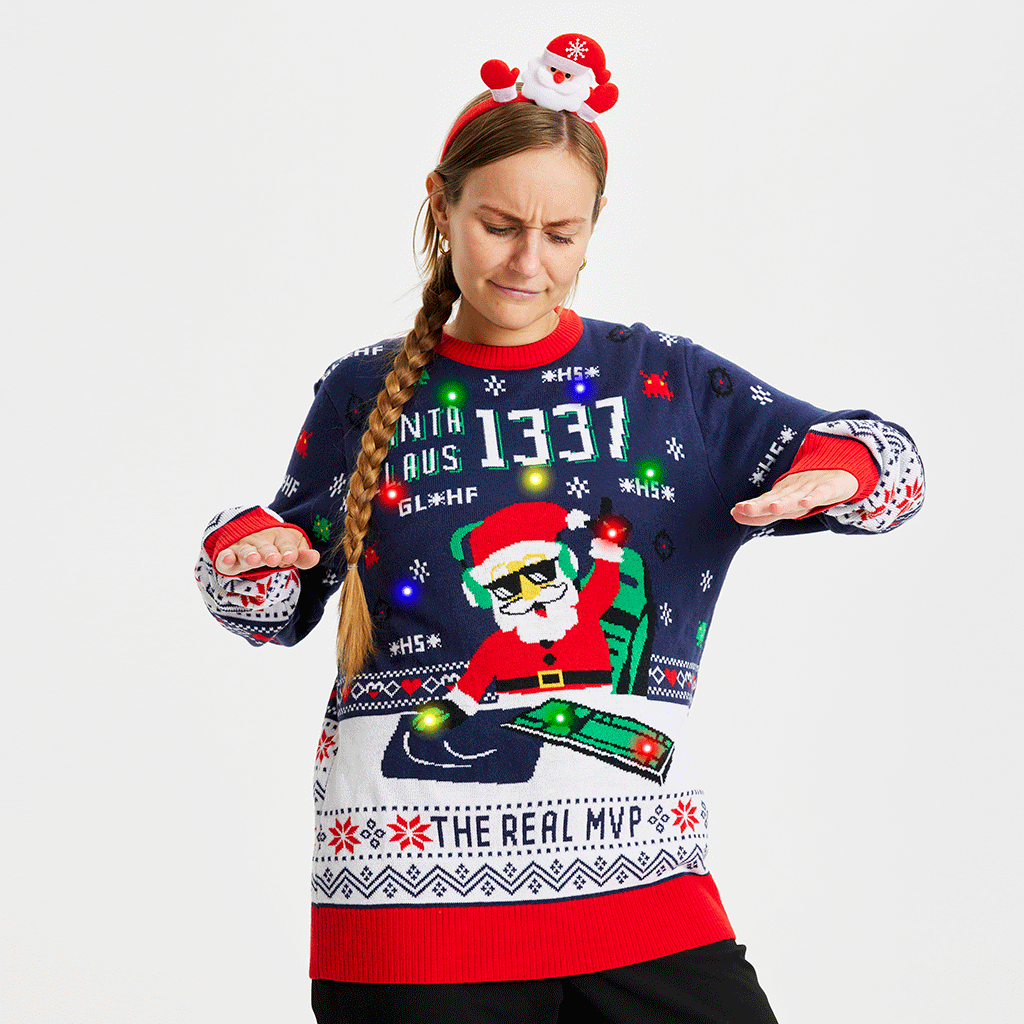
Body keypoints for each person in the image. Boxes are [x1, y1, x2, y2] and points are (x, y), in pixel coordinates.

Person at [195, 34, 924, 1024]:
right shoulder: (360, 391)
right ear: (441, 205)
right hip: (412, 917)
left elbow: (886, 460)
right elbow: (271, 608)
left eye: (561, 233)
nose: (528, 262)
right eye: (498, 225)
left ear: (595, 227)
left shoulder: (662, 382)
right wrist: (249, 555)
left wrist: (837, 471)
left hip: (642, 897)